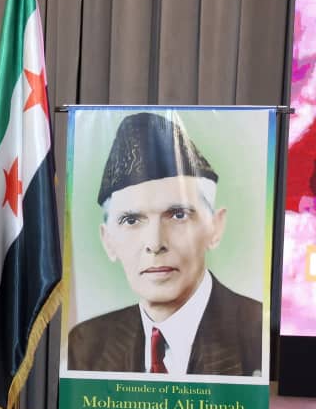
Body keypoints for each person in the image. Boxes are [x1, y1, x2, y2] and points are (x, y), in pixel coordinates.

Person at [67, 112, 261, 376]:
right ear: (108, 240)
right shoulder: (86, 345)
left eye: (178, 215)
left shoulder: (257, 335)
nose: (155, 243)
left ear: (215, 227)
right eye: (131, 220)